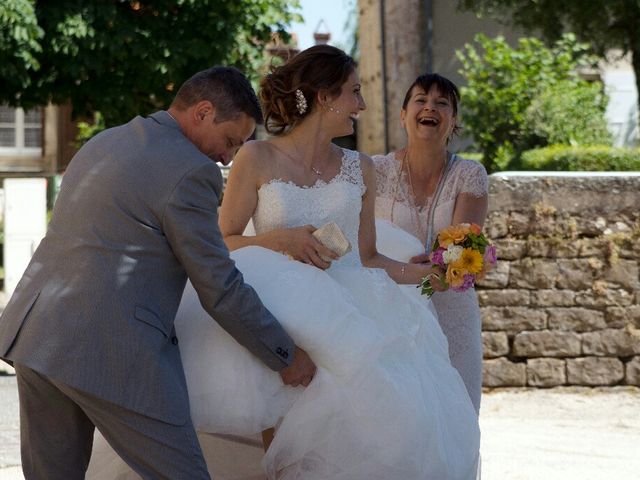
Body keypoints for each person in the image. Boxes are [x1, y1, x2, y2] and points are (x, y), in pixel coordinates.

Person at [88, 46, 480, 480]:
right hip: (278, 315)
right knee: (281, 440)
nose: (361, 106)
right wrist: (278, 241)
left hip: (351, 315)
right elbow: (220, 242)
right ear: (323, 96)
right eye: (354, 92)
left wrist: (430, 279)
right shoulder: (256, 158)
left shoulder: (361, 168)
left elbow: (369, 258)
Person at [0, 66, 316, 479]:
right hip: (113, 349)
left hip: (37, 335)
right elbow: (218, 286)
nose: (228, 157)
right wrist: (284, 354)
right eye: (230, 141)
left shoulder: (106, 141)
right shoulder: (192, 171)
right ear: (203, 112)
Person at [373, 73, 489, 414]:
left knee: (457, 413)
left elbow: (465, 250)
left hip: (452, 312)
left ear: (453, 121)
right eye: (421, 100)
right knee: (400, 418)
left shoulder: (470, 175)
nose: (430, 108)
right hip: (390, 312)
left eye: (442, 103)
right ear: (403, 114)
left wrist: (451, 263)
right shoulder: (374, 170)